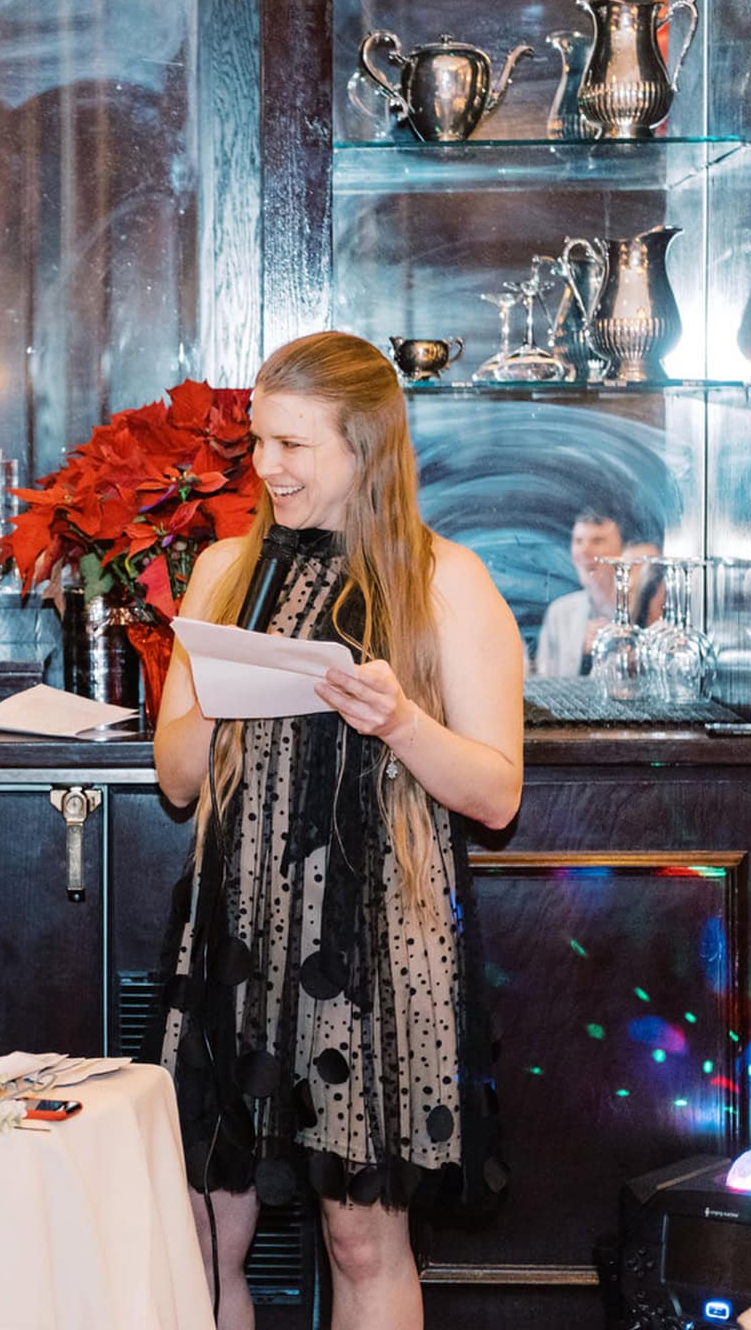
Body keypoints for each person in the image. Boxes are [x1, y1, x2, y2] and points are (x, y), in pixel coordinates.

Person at [147, 332, 522, 1330]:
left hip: (369, 948)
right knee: (193, 1225)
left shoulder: (445, 581)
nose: (263, 467)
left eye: (290, 445)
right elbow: (175, 780)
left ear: (364, 445)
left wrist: (398, 720)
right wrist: (222, 692)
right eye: (257, 441)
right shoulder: (225, 570)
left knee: (359, 1237)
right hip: (234, 930)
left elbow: (493, 795)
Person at [534, 508, 663, 677]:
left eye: (597, 541)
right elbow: (544, 680)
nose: (584, 551)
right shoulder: (560, 612)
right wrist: (578, 648)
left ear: (623, 551)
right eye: (578, 541)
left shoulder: (650, 606)